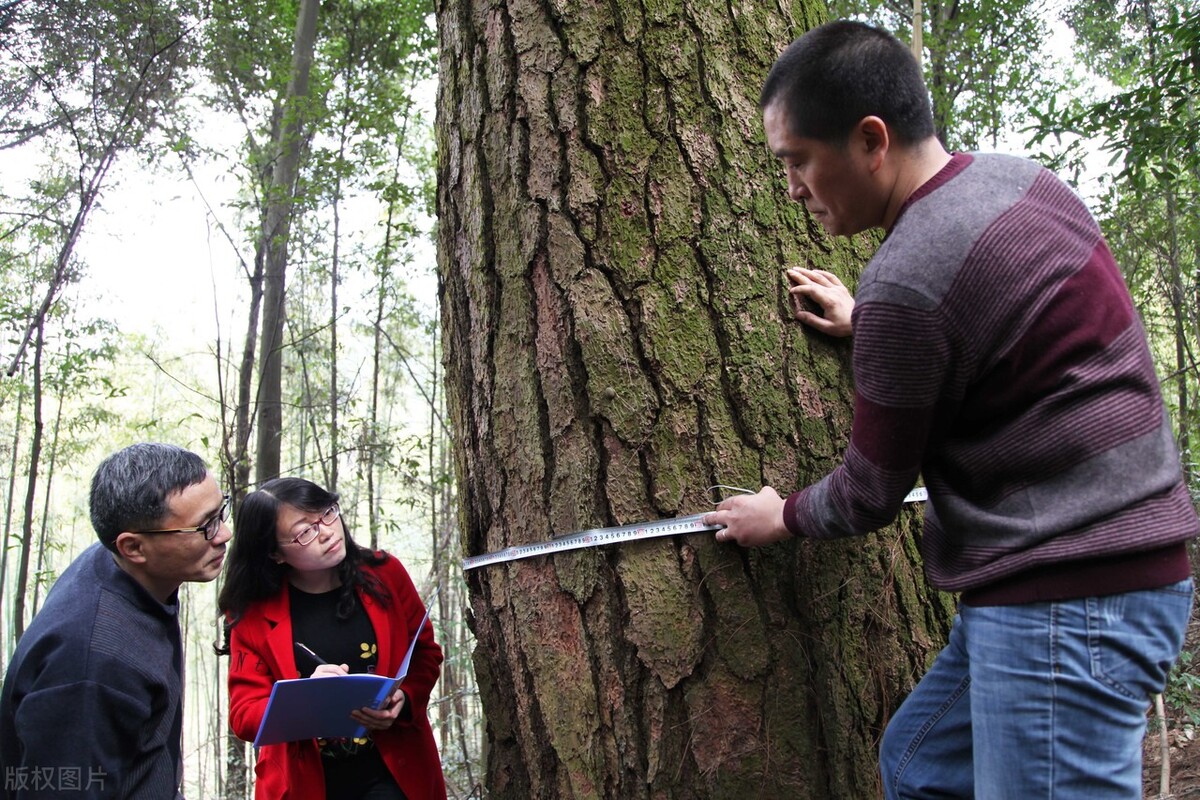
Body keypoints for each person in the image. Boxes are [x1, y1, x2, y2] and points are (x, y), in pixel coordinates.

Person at [703, 20, 1198, 800]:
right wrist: (872, 322)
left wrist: (782, 515)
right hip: (1121, 568)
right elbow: (1006, 336)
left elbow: (870, 491)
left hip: (1064, 598)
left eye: (797, 160)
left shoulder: (908, 280)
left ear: (871, 140)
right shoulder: (1020, 182)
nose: (791, 188)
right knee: (920, 766)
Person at [0, 442, 231, 799]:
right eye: (205, 527)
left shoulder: (124, 567)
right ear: (133, 547)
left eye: (220, 512)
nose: (224, 534)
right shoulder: (89, 667)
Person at [219, 478, 445, 800]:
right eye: (304, 532)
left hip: (395, 767)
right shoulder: (253, 613)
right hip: (305, 779)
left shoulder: (385, 574)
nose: (326, 531)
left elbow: (425, 652)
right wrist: (306, 698)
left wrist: (405, 698)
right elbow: (244, 714)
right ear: (275, 554)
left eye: (327, 513)